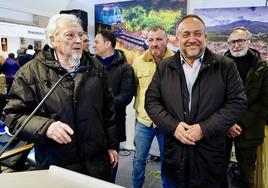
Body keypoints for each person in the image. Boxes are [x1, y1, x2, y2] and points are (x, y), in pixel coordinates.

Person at [2, 14, 118, 181]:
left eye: (81, 34)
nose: (78, 40)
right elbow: (13, 117)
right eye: (70, 35)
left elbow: (108, 110)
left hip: (96, 162)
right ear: (52, 40)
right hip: (57, 164)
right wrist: (45, 127)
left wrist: (112, 145)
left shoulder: (95, 67)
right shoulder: (30, 73)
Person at [144, 15, 247, 188]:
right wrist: (174, 126)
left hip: (209, 162)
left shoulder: (225, 65)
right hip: (175, 159)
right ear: (177, 39)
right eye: (186, 34)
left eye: (197, 34)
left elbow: (237, 103)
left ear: (205, 37)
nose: (192, 39)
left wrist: (204, 128)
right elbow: (151, 102)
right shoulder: (164, 66)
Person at [221, 27, 268, 188]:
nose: (236, 45)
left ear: (249, 42)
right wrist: (227, 123)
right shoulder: (219, 65)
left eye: (240, 41)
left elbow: (264, 103)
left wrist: (239, 123)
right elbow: (213, 98)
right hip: (222, 128)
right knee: (219, 172)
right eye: (232, 42)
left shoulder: (262, 68)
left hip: (248, 129)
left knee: (246, 175)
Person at [131, 25, 174, 188]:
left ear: (166, 40)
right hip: (144, 122)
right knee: (139, 159)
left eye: (158, 39)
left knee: (168, 160)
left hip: (167, 123)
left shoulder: (176, 62)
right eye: (150, 39)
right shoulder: (138, 62)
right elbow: (135, 89)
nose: (154, 43)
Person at [93, 30, 135, 182]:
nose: (93, 45)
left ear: (107, 44)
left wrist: (102, 104)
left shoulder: (125, 68)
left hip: (113, 123)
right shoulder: (90, 65)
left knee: (111, 160)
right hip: (91, 123)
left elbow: (126, 96)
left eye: (96, 42)